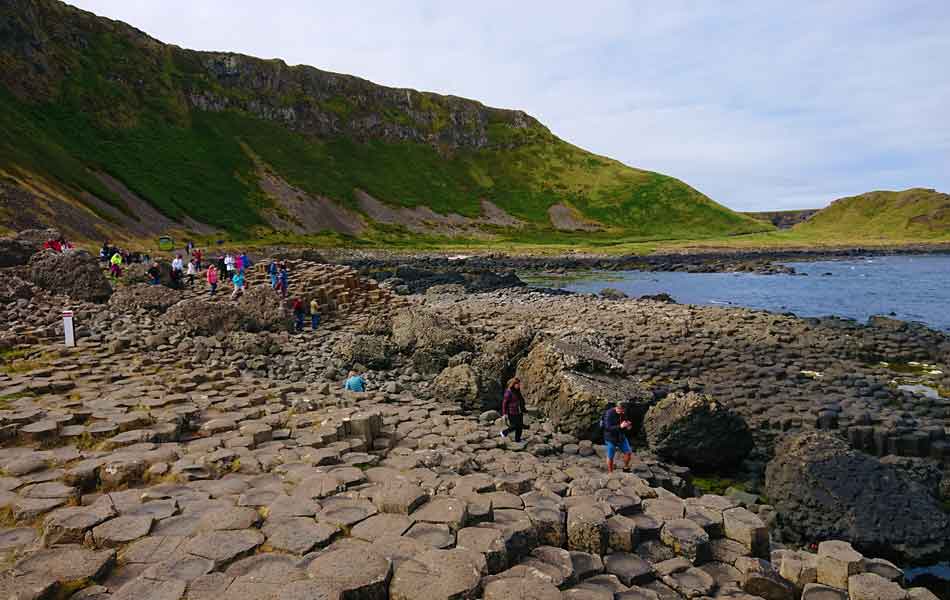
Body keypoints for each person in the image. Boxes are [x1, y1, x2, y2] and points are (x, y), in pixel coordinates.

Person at [602, 403, 634, 473]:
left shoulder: (623, 413)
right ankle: (611, 473)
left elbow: (625, 421)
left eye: (622, 410)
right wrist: (620, 426)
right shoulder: (609, 414)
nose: (621, 412)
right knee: (610, 456)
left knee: (628, 452)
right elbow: (607, 427)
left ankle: (626, 467)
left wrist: (628, 426)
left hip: (621, 436)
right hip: (610, 437)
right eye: (619, 409)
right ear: (616, 407)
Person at [500, 377, 526, 442]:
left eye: (519, 384)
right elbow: (504, 404)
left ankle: (518, 439)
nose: (519, 385)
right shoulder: (508, 392)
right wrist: (504, 414)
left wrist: (524, 409)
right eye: (518, 384)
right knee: (514, 426)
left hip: (519, 411)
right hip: (512, 412)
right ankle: (504, 432)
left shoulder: (517, 391)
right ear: (513, 384)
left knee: (520, 427)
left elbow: (521, 401)